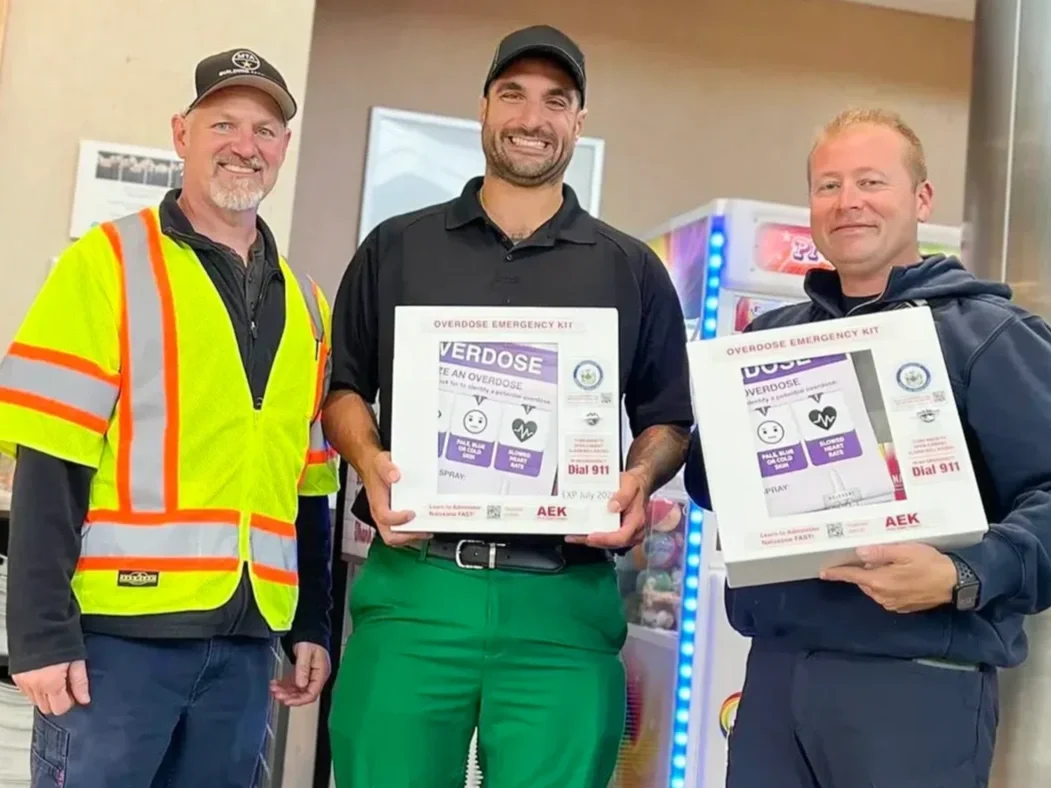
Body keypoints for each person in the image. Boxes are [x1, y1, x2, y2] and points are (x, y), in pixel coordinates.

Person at [321, 24, 693, 788]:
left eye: (556, 100)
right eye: (513, 95)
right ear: (484, 109)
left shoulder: (630, 270)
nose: (533, 117)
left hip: (563, 599)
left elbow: (667, 419)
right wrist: (366, 456)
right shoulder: (396, 248)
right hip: (418, 588)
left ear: (578, 121)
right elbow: (343, 392)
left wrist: (637, 480)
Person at [0, 48, 340, 788]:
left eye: (265, 128)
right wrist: (35, 634)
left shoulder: (310, 306)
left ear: (283, 148)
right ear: (181, 133)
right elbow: (50, 457)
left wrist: (313, 621)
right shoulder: (107, 263)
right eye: (224, 123)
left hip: (248, 648)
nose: (244, 145)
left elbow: (310, 482)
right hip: (115, 651)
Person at [685, 107, 1051, 788]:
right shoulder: (769, 338)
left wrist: (963, 572)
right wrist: (723, 419)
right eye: (827, 186)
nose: (847, 202)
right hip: (775, 672)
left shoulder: (989, 336)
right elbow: (716, 489)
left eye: (870, 182)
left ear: (920, 198)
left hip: (913, 681)